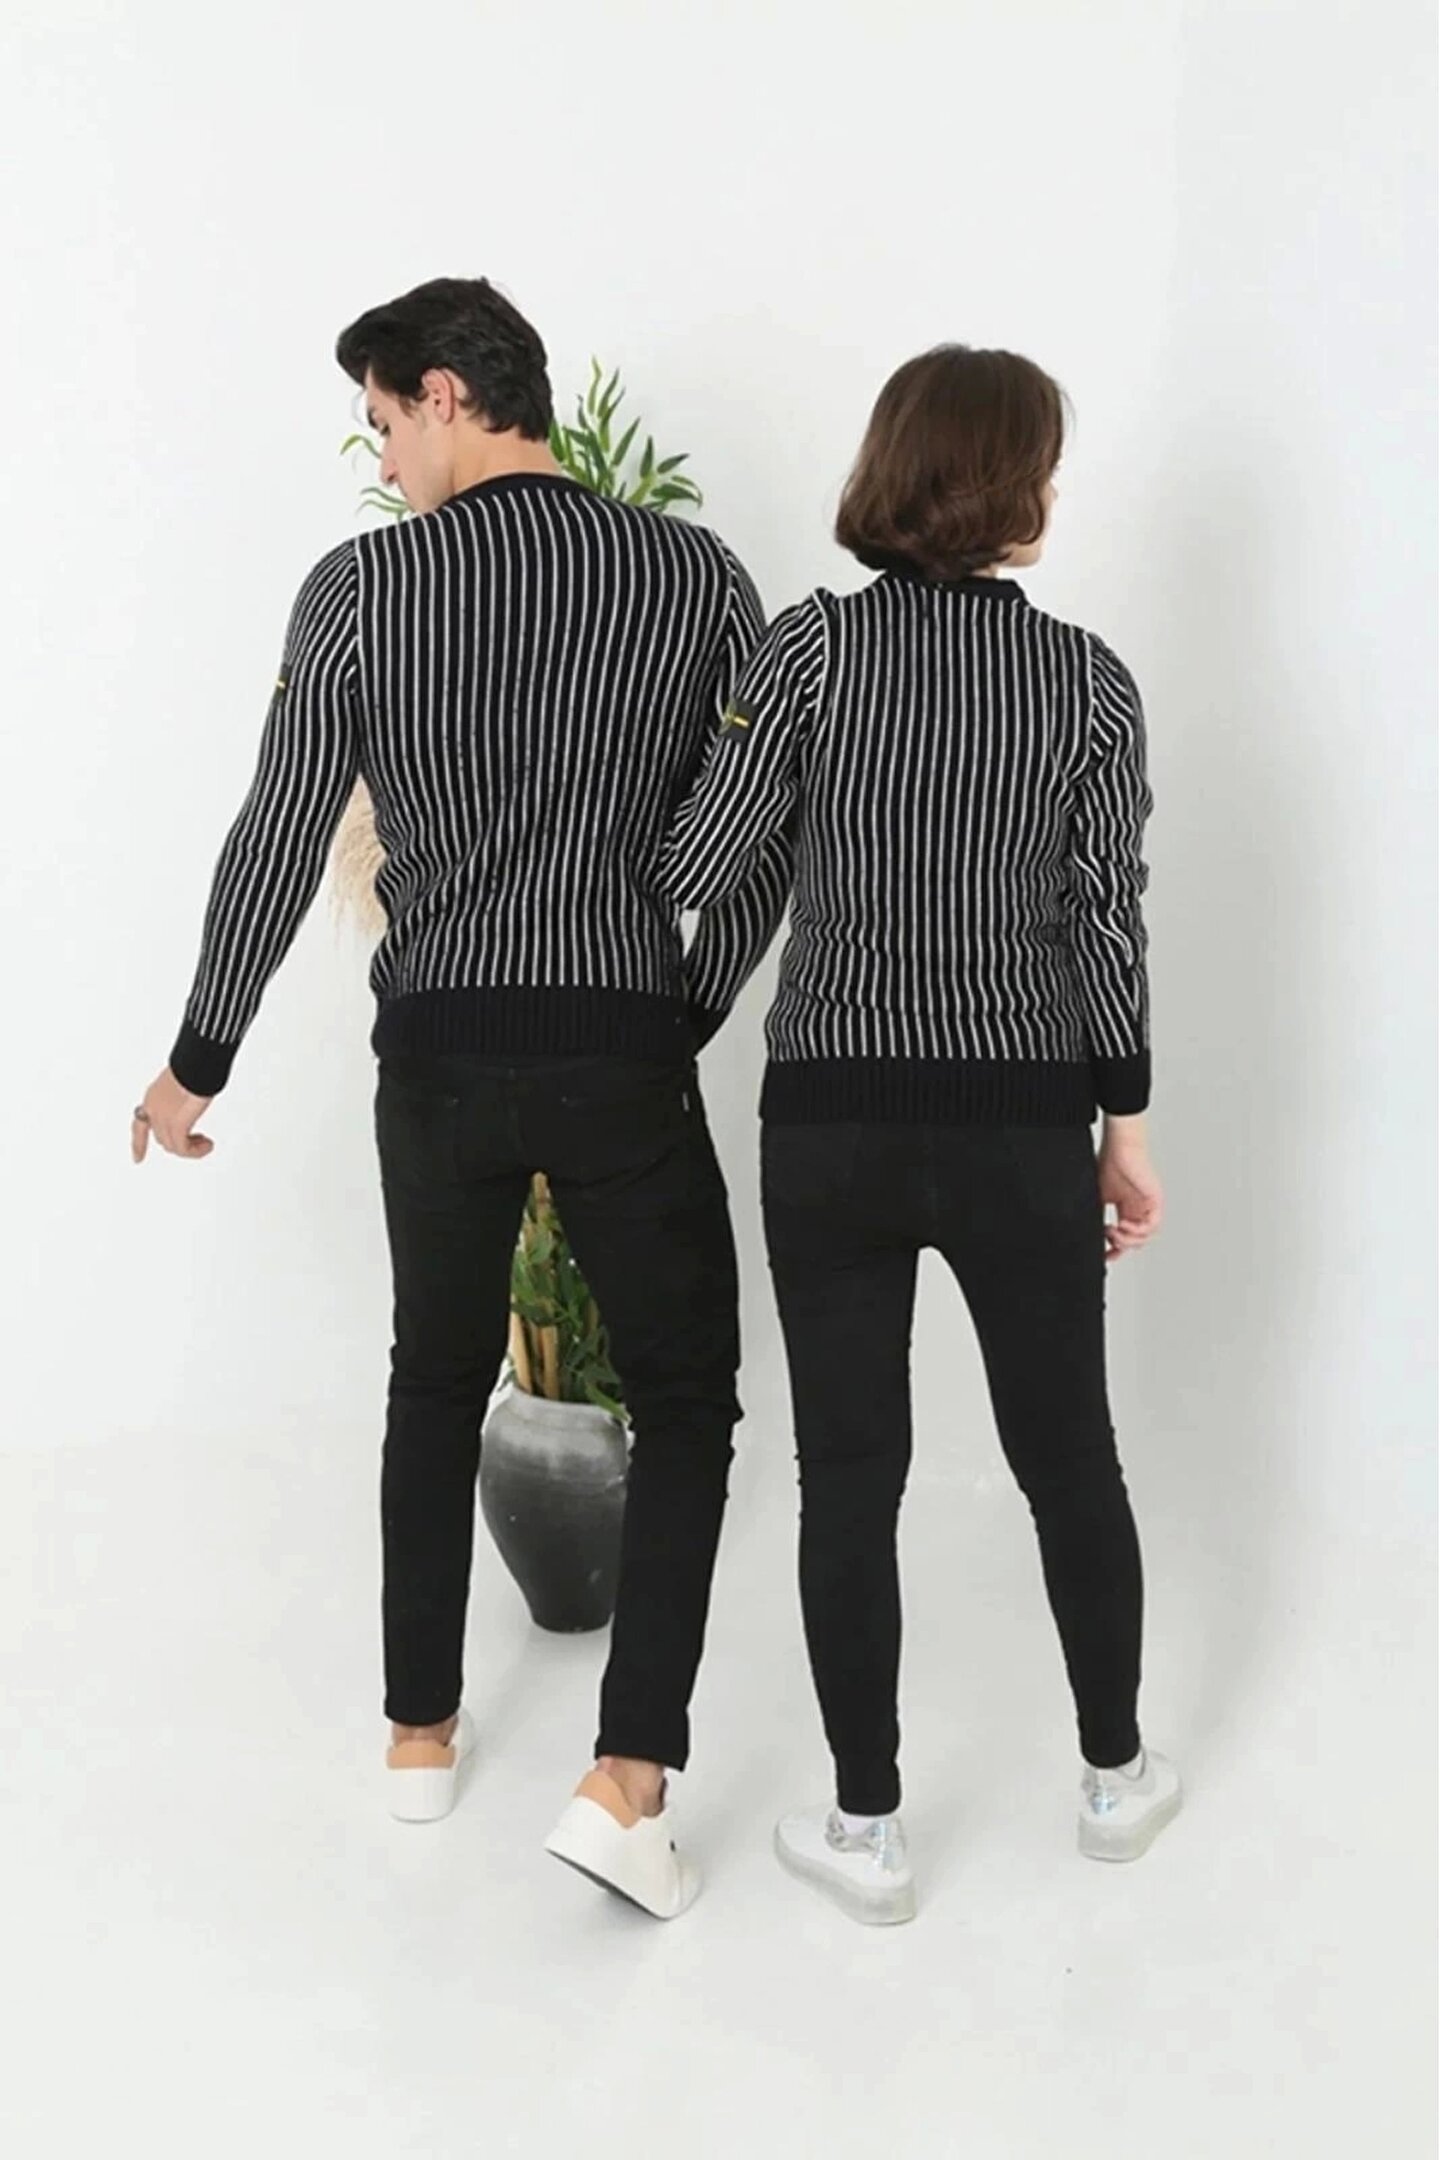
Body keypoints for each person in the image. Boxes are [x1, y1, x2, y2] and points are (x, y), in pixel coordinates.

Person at [130, 276, 772, 1920]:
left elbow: (281, 826)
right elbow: (774, 814)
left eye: (382, 423)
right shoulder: (697, 574)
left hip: (437, 1046)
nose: (382, 460)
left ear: (444, 394)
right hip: (621, 1037)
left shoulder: (362, 586)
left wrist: (200, 1056)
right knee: (688, 1397)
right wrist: (683, 1001)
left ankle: (420, 1735)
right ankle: (629, 1776)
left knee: (433, 1376)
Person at [659, 344, 1180, 1926]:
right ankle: (1114, 1779)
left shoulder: (809, 653)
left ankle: (867, 1828)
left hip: (832, 1122)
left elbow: (701, 863)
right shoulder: (1089, 682)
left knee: (847, 1477)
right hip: (1024, 1119)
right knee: (1069, 1457)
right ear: (1012, 488)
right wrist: (1125, 1126)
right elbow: (1107, 921)